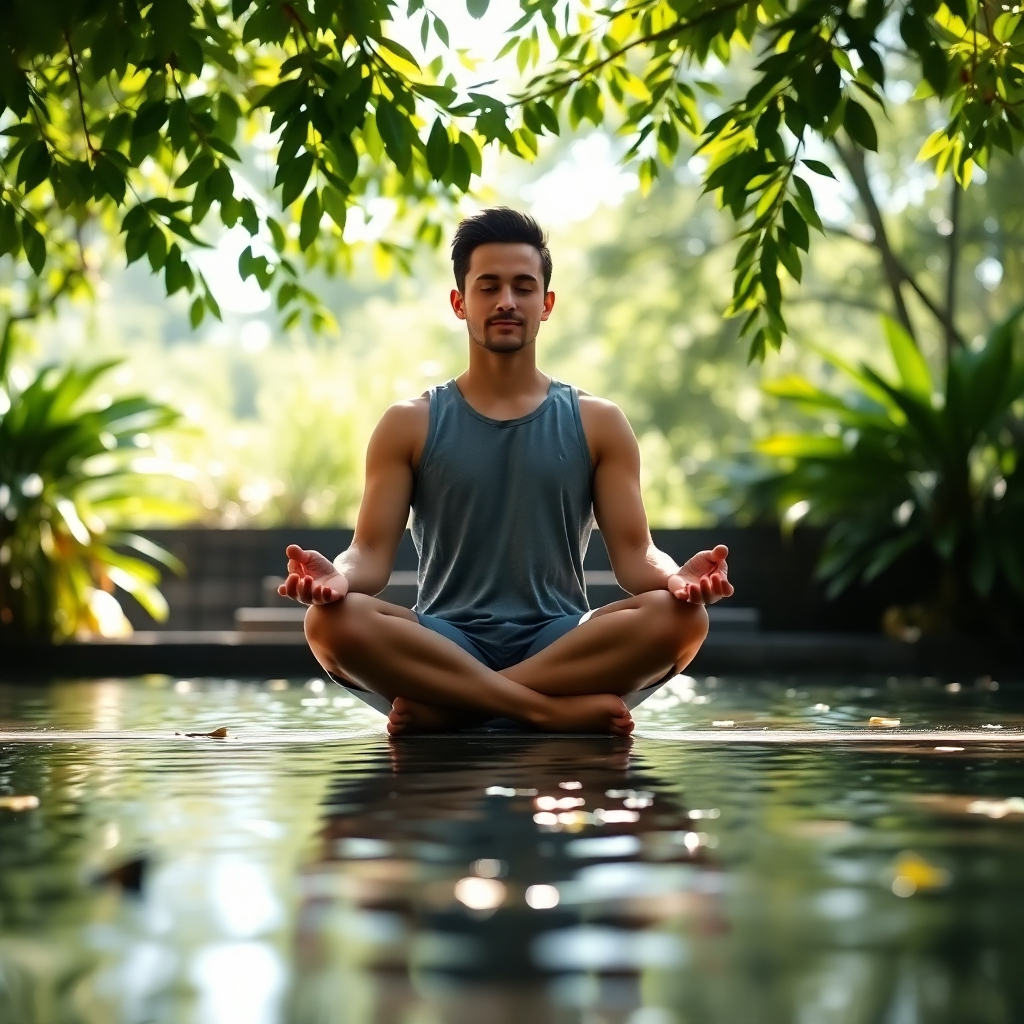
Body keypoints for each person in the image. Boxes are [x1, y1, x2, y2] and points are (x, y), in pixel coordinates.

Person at [278, 208, 734, 736]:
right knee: (329, 623)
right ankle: (543, 710)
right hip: (443, 639)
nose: (506, 302)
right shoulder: (408, 424)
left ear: (547, 304)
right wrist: (338, 576)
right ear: (459, 302)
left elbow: (636, 556)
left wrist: (676, 578)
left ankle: (457, 707)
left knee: (683, 619)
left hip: (561, 640)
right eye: (488, 286)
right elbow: (371, 555)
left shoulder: (599, 422)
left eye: (523, 286)